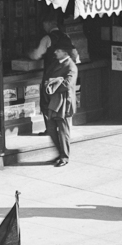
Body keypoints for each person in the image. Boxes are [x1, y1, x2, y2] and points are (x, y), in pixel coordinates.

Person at [30, 32, 78, 167]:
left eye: (58, 50)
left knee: (63, 131)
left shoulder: (71, 66)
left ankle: (64, 156)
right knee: (51, 129)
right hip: (52, 102)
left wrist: (52, 83)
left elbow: (67, 84)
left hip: (63, 103)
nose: (55, 52)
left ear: (64, 52)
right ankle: (59, 153)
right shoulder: (55, 63)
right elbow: (48, 79)